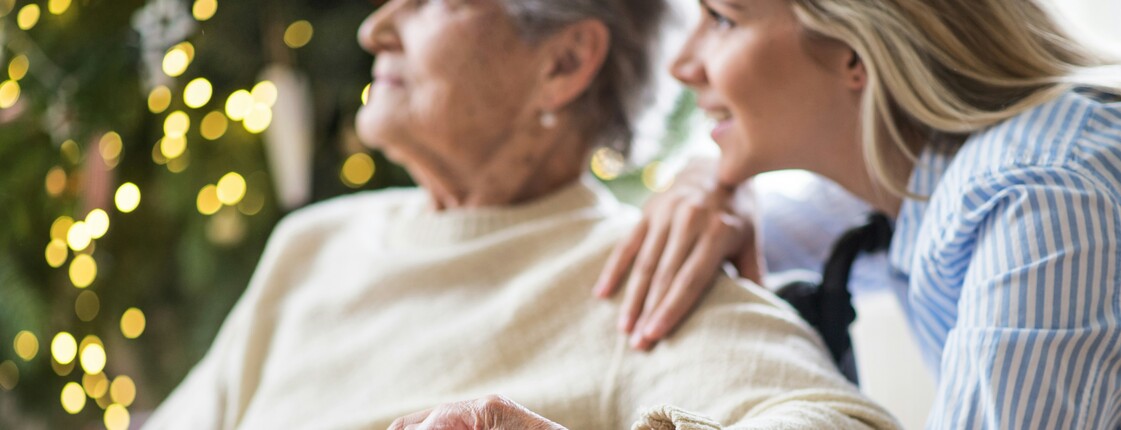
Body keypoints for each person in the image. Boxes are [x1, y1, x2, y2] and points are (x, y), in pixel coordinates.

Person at [141, 0, 900, 429]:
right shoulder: (313, 244)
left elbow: (836, 425)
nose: (378, 26)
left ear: (563, 64)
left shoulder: (644, 271)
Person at [592, 0, 1121, 427]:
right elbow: (728, 242)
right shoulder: (911, 175)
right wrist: (720, 184)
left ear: (853, 51)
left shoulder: (1038, 195)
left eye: (723, 19)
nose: (681, 65)